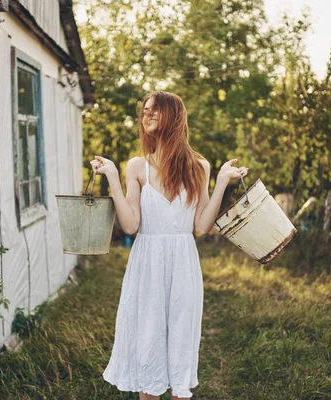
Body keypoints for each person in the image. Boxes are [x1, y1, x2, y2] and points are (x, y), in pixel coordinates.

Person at [91, 91, 248, 400]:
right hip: (147, 264)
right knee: (148, 345)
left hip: (183, 264)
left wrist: (221, 183)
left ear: (173, 117)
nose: (147, 115)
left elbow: (201, 227)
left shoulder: (199, 166)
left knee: (179, 345)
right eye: (145, 111)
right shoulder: (137, 167)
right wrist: (111, 175)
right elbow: (131, 225)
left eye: (155, 110)